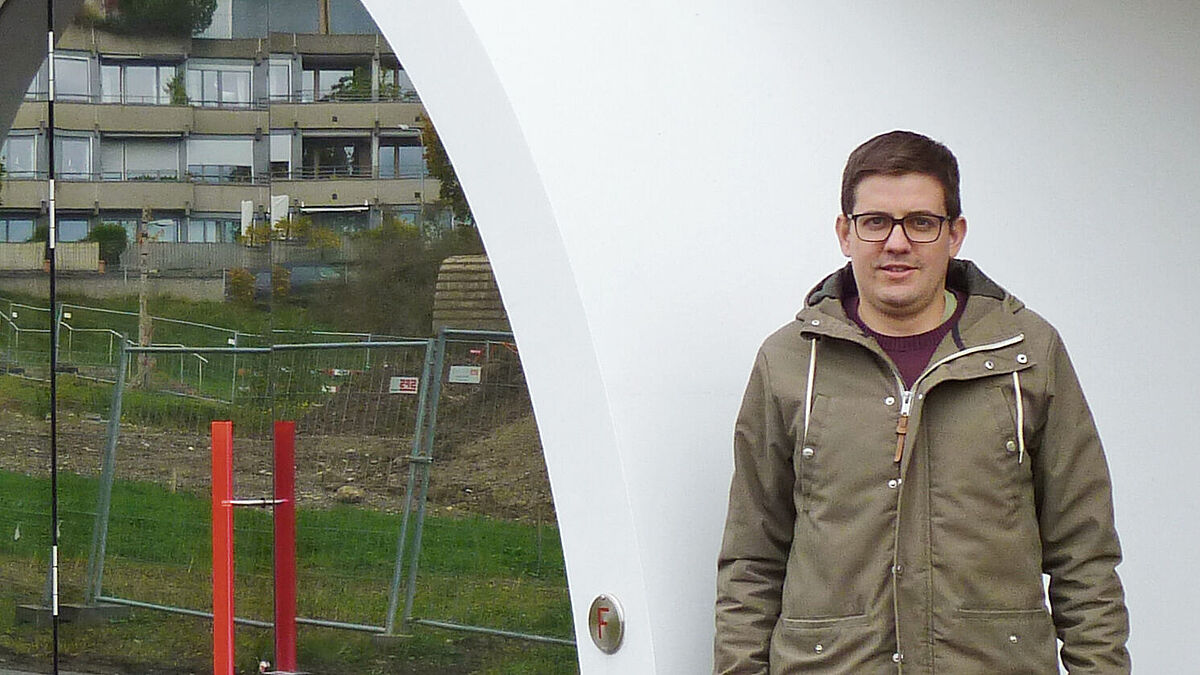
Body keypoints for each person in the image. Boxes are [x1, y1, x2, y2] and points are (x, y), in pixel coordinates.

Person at [713, 130, 1130, 673]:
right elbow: (751, 559)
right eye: (875, 221)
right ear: (845, 232)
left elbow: (1086, 555)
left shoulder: (1027, 353)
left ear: (955, 234)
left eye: (921, 223)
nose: (897, 243)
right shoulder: (790, 362)